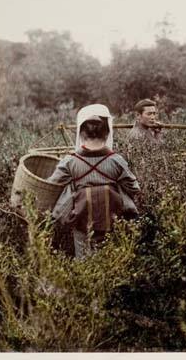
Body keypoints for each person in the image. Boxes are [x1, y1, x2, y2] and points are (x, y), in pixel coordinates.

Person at [49, 104, 141, 258]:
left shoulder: (70, 162)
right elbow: (133, 187)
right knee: (111, 258)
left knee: (83, 258)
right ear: (106, 133)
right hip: (112, 219)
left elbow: (51, 185)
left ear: (82, 133)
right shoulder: (116, 161)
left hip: (81, 220)